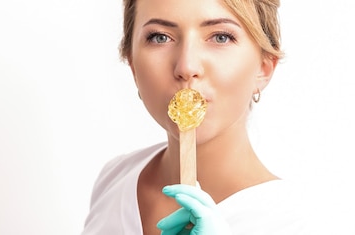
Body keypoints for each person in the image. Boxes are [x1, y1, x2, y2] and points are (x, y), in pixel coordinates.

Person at [81, 0, 303, 234]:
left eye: (220, 37)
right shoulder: (114, 178)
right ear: (133, 64)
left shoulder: (291, 224)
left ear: (264, 67)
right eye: (159, 37)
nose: (186, 67)